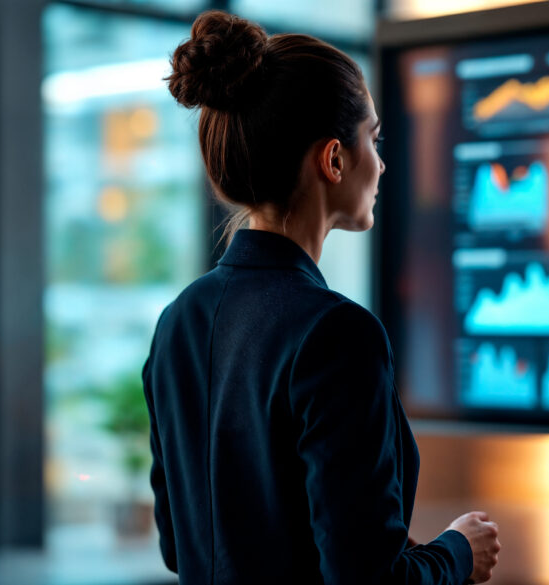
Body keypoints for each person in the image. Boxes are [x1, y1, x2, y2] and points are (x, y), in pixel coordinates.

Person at [142, 10, 500, 584]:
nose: (382, 163)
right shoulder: (338, 333)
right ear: (333, 159)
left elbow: (181, 546)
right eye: (373, 140)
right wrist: (459, 551)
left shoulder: (178, 321)